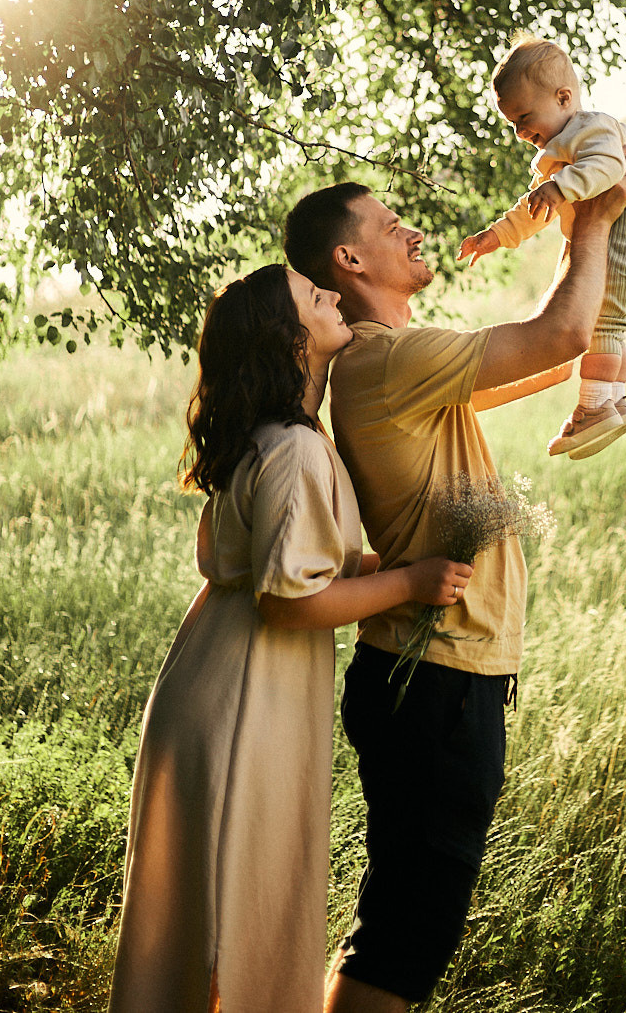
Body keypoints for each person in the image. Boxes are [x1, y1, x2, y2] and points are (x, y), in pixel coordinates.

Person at [283, 168, 626, 1013]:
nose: (412, 231)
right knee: (406, 935)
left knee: (405, 922)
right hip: (432, 682)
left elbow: (551, 359)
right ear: (350, 258)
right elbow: (555, 336)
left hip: (441, 681)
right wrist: (588, 221)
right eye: (390, 224)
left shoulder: (403, 361)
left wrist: (609, 314)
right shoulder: (386, 360)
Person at [107, 263, 471, 1013]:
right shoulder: (296, 449)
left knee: (214, 908)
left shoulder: (279, 437)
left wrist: (388, 562)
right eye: (316, 296)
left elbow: (300, 562)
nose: (335, 298)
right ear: (292, 340)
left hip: (221, 680)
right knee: (237, 913)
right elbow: (289, 599)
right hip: (245, 696)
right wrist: (409, 583)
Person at [459, 36, 626, 458]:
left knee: (601, 328)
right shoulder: (559, 155)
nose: (522, 132)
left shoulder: (591, 128)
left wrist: (560, 188)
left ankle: (592, 408)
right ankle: (614, 399)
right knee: (610, 326)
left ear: (563, 97)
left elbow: (607, 167)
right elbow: (534, 207)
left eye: (524, 117)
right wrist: (498, 235)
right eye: (513, 125)